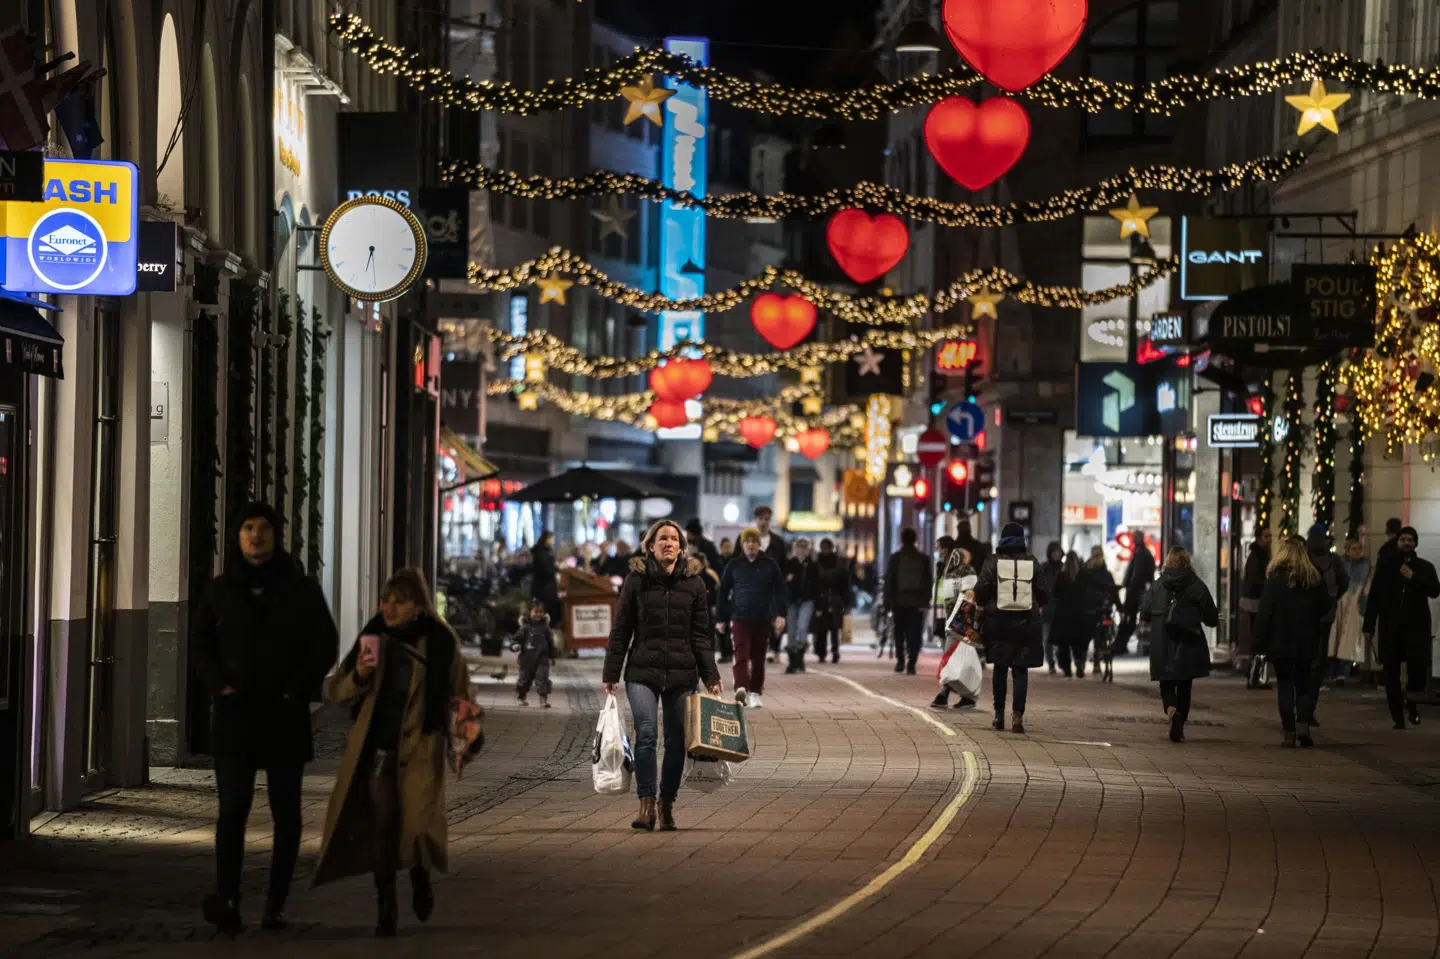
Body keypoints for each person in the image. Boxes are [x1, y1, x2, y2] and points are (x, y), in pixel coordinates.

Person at [191, 502, 339, 935]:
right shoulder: (219, 592)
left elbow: (324, 643)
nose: (256, 536)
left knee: (286, 812)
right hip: (235, 717)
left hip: (284, 715)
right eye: (248, 527)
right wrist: (220, 686)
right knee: (232, 810)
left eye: (264, 529)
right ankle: (229, 898)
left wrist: (297, 689)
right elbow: (200, 644)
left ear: (277, 535)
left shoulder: (300, 589)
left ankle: (275, 903)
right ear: (237, 537)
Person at [314, 568, 473, 937]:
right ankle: (386, 908)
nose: (389, 607)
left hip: (422, 744)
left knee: (418, 827)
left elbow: (461, 693)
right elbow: (338, 692)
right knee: (383, 828)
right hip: (378, 748)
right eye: (386, 600)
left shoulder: (439, 640)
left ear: (418, 607)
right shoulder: (374, 635)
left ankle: (420, 878)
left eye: (399, 601)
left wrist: (464, 738)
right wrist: (360, 676)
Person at [602, 520, 723, 831]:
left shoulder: (695, 584)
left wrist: (710, 675)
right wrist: (611, 672)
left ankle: (666, 804)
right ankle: (646, 805)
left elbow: (701, 636)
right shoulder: (636, 581)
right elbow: (621, 630)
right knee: (646, 734)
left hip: (683, 674)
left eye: (673, 538)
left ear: (681, 547)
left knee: (675, 740)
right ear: (650, 546)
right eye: (662, 539)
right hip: (643, 670)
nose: (668, 543)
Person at [1255, 537, 1334, 748]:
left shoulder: (1274, 579)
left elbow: (1264, 614)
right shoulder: (1314, 579)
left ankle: (1289, 731)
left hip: (1280, 642)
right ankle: (1303, 727)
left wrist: (1260, 643)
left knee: (1285, 685)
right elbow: (1327, 606)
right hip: (1307, 640)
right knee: (1304, 687)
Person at [974, 522, 1049, 733]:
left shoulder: (992, 562)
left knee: (1000, 668)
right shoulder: (1032, 563)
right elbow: (1044, 594)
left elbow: (981, 590)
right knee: (1020, 669)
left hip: (998, 622)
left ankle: (998, 715)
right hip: (1026, 622)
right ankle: (1017, 717)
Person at [1363, 525, 1440, 730]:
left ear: (1415, 544)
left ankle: (1413, 704)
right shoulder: (1386, 567)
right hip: (1390, 627)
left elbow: (1434, 590)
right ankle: (1397, 716)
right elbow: (1375, 598)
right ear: (1397, 542)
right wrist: (1368, 625)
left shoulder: (1424, 567)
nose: (1406, 543)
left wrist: (1413, 577)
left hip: (1416, 627)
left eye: (1410, 540)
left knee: (1417, 668)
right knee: (1391, 672)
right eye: (1403, 539)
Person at [1141, 547, 1219, 743]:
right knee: (1185, 685)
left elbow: (1144, 612)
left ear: (1167, 563)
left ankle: (1171, 711)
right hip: (1188, 643)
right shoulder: (1196, 585)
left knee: (1166, 683)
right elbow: (1211, 617)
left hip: (1162, 642)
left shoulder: (1158, 585)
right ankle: (1180, 722)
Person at [717, 528, 787, 708]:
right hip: (739, 617)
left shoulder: (770, 565)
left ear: (759, 544)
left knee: (758, 658)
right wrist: (721, 619)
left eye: (754, 542)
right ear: (742, 545)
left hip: (763, 618)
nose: (751, 545)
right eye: (747, 542)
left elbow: (780, 590)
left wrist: (780, 614)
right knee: (741, 654)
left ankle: (755, 692)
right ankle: (741, 688)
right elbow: (723, 592)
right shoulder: (734, 565)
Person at [1304, 525, 1350, 725]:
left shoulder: (1308, 559)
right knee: (1316, 664)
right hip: (1322, 617)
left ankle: (1304, 709)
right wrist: (1332, 600)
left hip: (1312, 617)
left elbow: (1344, 582)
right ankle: (1307, 709)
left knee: (1310, 663)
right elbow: (1344, 584)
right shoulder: (1333, 561)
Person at [884, 528, 934, 675]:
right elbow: (928, 581)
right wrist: (926, 601)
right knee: (915, 633)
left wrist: (887, 602)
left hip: (899, 601)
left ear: (902, 540)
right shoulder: (924, 559)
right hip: (917, 602)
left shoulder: (895, 558)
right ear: (915, 540)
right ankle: (912, 662)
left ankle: (900, 661)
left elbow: (889, 581)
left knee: (899, 632)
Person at [1329, 536, 1372, 684]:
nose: (1357, 552)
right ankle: (1333, 672)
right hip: (1341, 601)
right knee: (1335, 638)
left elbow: (1365, 586)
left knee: (1349, 640)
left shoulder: (1365, 565)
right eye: (1354, 549)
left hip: (1355, 602)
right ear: (1347, 551)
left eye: (1359, 549)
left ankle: (1343, 673)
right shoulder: (1340, 563)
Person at [1048, 551, 1093, 678]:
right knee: (1078, 643)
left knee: (1064, 645)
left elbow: (1054, 594)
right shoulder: (1083, 576)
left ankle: (1067, 671)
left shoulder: (1061, 576)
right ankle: (1079, 662)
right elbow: (1088, 593)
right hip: (1079, 614)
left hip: (1063, 615)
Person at [1238, 527, 1273, 676]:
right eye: (1266, 536)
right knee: (1259, 638)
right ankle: (1255, 672)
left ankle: (1256, 672)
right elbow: (1254, 581)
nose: (1269, 539)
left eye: (1270, 536)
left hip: (1257, 600)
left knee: (1258, 638)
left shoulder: (1261, 554)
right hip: (1256, 601)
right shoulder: (1257, 556)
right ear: (1259, 538)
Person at [813, 538, 853, 664]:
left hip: (834, 599)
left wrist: (847, 602)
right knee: (823, 629)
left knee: (833, 628)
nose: (825, 551)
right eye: (823, 548)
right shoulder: (820, 564)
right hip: (824, 599)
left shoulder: (822, 564)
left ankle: (832, 652)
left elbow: (845, 585)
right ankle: (823, 652)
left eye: (827, 548)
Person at [783, 538, 820, 673]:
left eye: (805, 547)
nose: (802, 550)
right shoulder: (789, 564)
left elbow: (817, 586)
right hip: (792, 602)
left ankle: (800, 658)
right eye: (799, 547)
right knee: (791, 631)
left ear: (808, 549)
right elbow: (783, 583)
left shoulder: (812, 565)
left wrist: (819, 606)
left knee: (802, 628)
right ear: (795, 548)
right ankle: (792, 660)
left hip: (807, 600)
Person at [1116, 534, 1156, 655]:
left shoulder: (1140, 554)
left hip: (1135, 592)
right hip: (1138, 591)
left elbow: (1136, 575)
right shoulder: (1143, 553)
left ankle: (1120, 644)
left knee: (1129, 618)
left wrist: (1129, 587)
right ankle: (1121, 644)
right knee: (1132, 619)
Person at [513, 601, 557, 707]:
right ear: (530, 613)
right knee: (524, 680)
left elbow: (551, 643)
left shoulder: (546, 628)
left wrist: (553, 656)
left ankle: (543, 699)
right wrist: (515, 645)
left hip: (542, 659)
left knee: (543, 678)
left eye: (541, 612)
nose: (538, 614)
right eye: (536, 612)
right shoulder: (525, 628)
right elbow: (516, 639)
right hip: (526, 660)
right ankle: (521, 696)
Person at [1040, 541, 1065, 674]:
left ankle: (1061, 660)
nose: (1057, 554)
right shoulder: (1044, 568)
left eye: (1058, 552)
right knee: (1047, 637)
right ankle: (1051, 663)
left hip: (1061, 607)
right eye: (1054, 552)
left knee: (1062, 637)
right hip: (1048, 607)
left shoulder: (1064, 568)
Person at [531, 532, 561, 623]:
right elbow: (547, 569)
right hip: (545, 589)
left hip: (544, 588)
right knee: (547, 611)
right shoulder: (542, 552)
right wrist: (556, 567)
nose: (553, 541)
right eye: (552, 539)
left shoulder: (543, 551)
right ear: (547, 539)